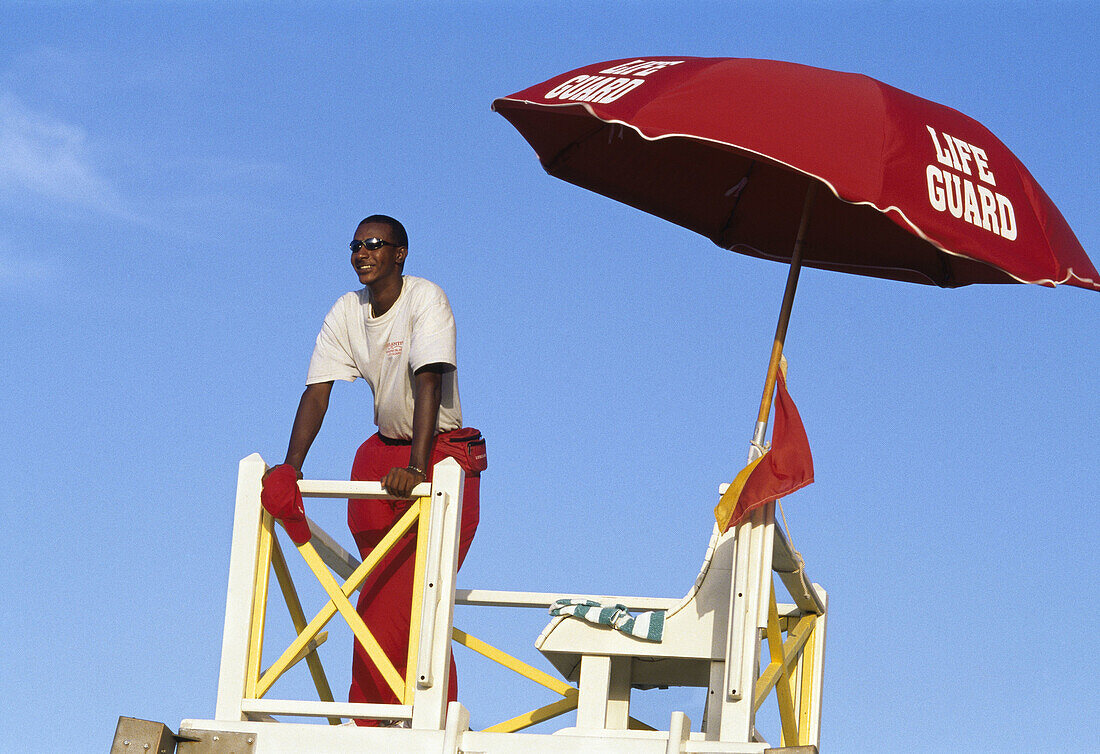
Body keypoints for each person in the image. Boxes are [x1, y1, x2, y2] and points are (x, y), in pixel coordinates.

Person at [260, 215, 481, 724]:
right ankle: (373, 720)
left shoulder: (426, 298)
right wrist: (290, 468)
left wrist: (417, 467)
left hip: (439, 455)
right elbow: (318, 392)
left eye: (375, 244)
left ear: (400, 253)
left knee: (414, 598)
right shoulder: (346, 309)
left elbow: (428, 383)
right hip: (381, 455)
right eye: (355, 245)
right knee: (378, 593)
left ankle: (421, 720)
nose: (362, 252)